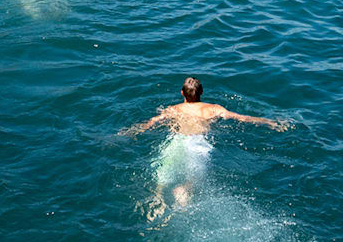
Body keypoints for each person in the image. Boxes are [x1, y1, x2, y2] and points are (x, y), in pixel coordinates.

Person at [122, 77, 288, 219]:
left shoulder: (173, 109)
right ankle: (184, 191)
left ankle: (157, 197)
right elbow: (242, 118)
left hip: (176, 140)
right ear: (202, 92)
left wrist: (132, 132)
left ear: (182, 93)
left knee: (163, 173)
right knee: (193, 179)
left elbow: (151, 123)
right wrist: (270, 122)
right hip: (197, 144)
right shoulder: (213, 109)